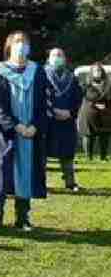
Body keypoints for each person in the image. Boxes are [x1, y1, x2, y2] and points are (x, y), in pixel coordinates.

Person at [0, 31, 49, 231]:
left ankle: (23, 216)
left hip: (31, 132)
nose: (21, 46)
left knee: (26, 171)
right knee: (3, 171)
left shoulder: (37, 71)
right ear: (9, 46)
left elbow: (45, 102)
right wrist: (16, 126)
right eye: (18, 42)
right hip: (6, 132)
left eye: (25, 42)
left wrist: (35, 126)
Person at [43, 48, 83, 191]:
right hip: (48, 120)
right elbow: (38, 97)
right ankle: (40, 183)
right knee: (42, 153)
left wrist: (70, 113)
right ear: (49, 58)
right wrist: (52, 110)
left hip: (67, 121)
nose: (57, 57)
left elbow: (78, 99)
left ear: (65, 59)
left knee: (67, 153)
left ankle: (70, 183)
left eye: (60, 55)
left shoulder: (72, 77)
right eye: (54, 55)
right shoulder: (42, 75)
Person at [79, 63, 111, 161]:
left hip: (105, 114)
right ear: (91, 72)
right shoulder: (85, 84)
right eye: (95, 70)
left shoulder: (108, 84)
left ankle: (103, 157)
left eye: (99, 70)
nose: (97, 72)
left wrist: (106, 104)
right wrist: (95, 104)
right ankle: (88, 157)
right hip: (89, 114)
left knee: (104, 136)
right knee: (88, 135)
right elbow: (86, 97)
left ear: (102, 72)